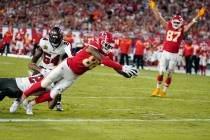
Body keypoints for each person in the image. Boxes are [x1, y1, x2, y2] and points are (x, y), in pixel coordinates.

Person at [19, 31, 139, 115]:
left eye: (110, 45)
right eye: (107, 44)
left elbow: (115, 68)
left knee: (53, 96)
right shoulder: (94, 46)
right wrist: (122, 67)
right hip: (66, 66)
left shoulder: (108, 54)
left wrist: (129, 74)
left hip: (73, 75)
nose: (108, 47)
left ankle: (30, 104)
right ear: (101, 41)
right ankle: (21, 98)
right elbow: (104, 60)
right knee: (45, 84)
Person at [149, 0, 205, 97]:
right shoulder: (168, 25)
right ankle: (157, 89)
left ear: (180, 22)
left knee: (170, 73)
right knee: (161, 71)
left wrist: (198, 16)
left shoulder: (183, 29)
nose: (175, 23)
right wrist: (154, 8)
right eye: (174, 22)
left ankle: (164, 91)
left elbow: (192, 23)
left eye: (177, 22)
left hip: (174, 55)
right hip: (165, 52)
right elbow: (159, 18)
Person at [10, 26, 73, 112]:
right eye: (53, 39)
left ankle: (58, 102)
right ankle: (18, 101)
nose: (54, 42)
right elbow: (33, 60)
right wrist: (39, 70)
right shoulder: (44, 42)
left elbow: (69, 58)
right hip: (42, 67)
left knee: (58, 88)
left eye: (57, 39)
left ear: (61, 38)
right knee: (30, 87)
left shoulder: (65, 45)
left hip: (55, 71)